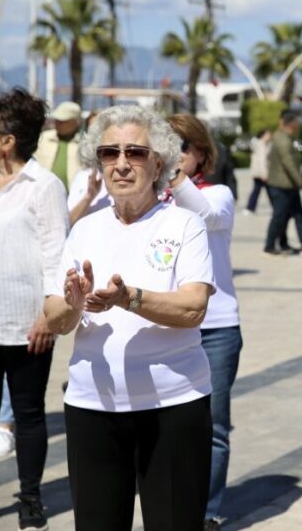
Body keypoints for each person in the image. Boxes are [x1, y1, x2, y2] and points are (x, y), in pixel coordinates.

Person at [42, 104, 215, 531]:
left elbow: (193, 308)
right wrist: (74, 302)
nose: (121, 164)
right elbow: (55, 319)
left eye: (135, 152)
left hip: (173, 406)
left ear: (158, 161)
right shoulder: (83, 229)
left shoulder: (185, 224)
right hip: (92, 407)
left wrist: (129, 298)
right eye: (109, 153)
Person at [0, 87, 68, 530]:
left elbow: (57, 255)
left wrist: (47, 317)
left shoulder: (45, 186)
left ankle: (30, 497)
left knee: (29, 413)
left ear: (8, 140)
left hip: (26, 323)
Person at [166, 114, 242, 531]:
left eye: (182, 145)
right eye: (165, 144)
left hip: (216, 329)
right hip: (166, 323)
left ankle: (207, 511)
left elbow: (207, 217)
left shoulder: (219, 193)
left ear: (201, 153)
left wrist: (175, 181)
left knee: (212, 426)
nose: (174, 153)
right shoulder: (151, 200)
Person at [264, 110, 302, 256]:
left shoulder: (283, 138)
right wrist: (301, 183)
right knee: (280, 216)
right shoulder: (283, 141)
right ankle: (269, 246)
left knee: (296, 215)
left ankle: (294, 244)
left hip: (288, 185)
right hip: (282, 186)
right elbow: (289, 164)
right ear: (292, 125)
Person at [33, 99, 82, 191]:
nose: (58, 124)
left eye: (63, 121)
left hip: (74, 196)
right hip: (42, 191)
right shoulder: (43, 139)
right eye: (57, 120)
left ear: (75, 122)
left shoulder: (84, 143)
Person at [244, 129, 272, 214]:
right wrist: (265, 173)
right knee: (269, 191)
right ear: (263, 135)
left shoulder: (260, 144)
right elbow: (262, 160)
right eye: (268, 134)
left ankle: (250, 208)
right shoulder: (261, 145)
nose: (270, 136)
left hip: (258, 172)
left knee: (258, 190)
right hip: (261, 173)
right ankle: (250, 208)